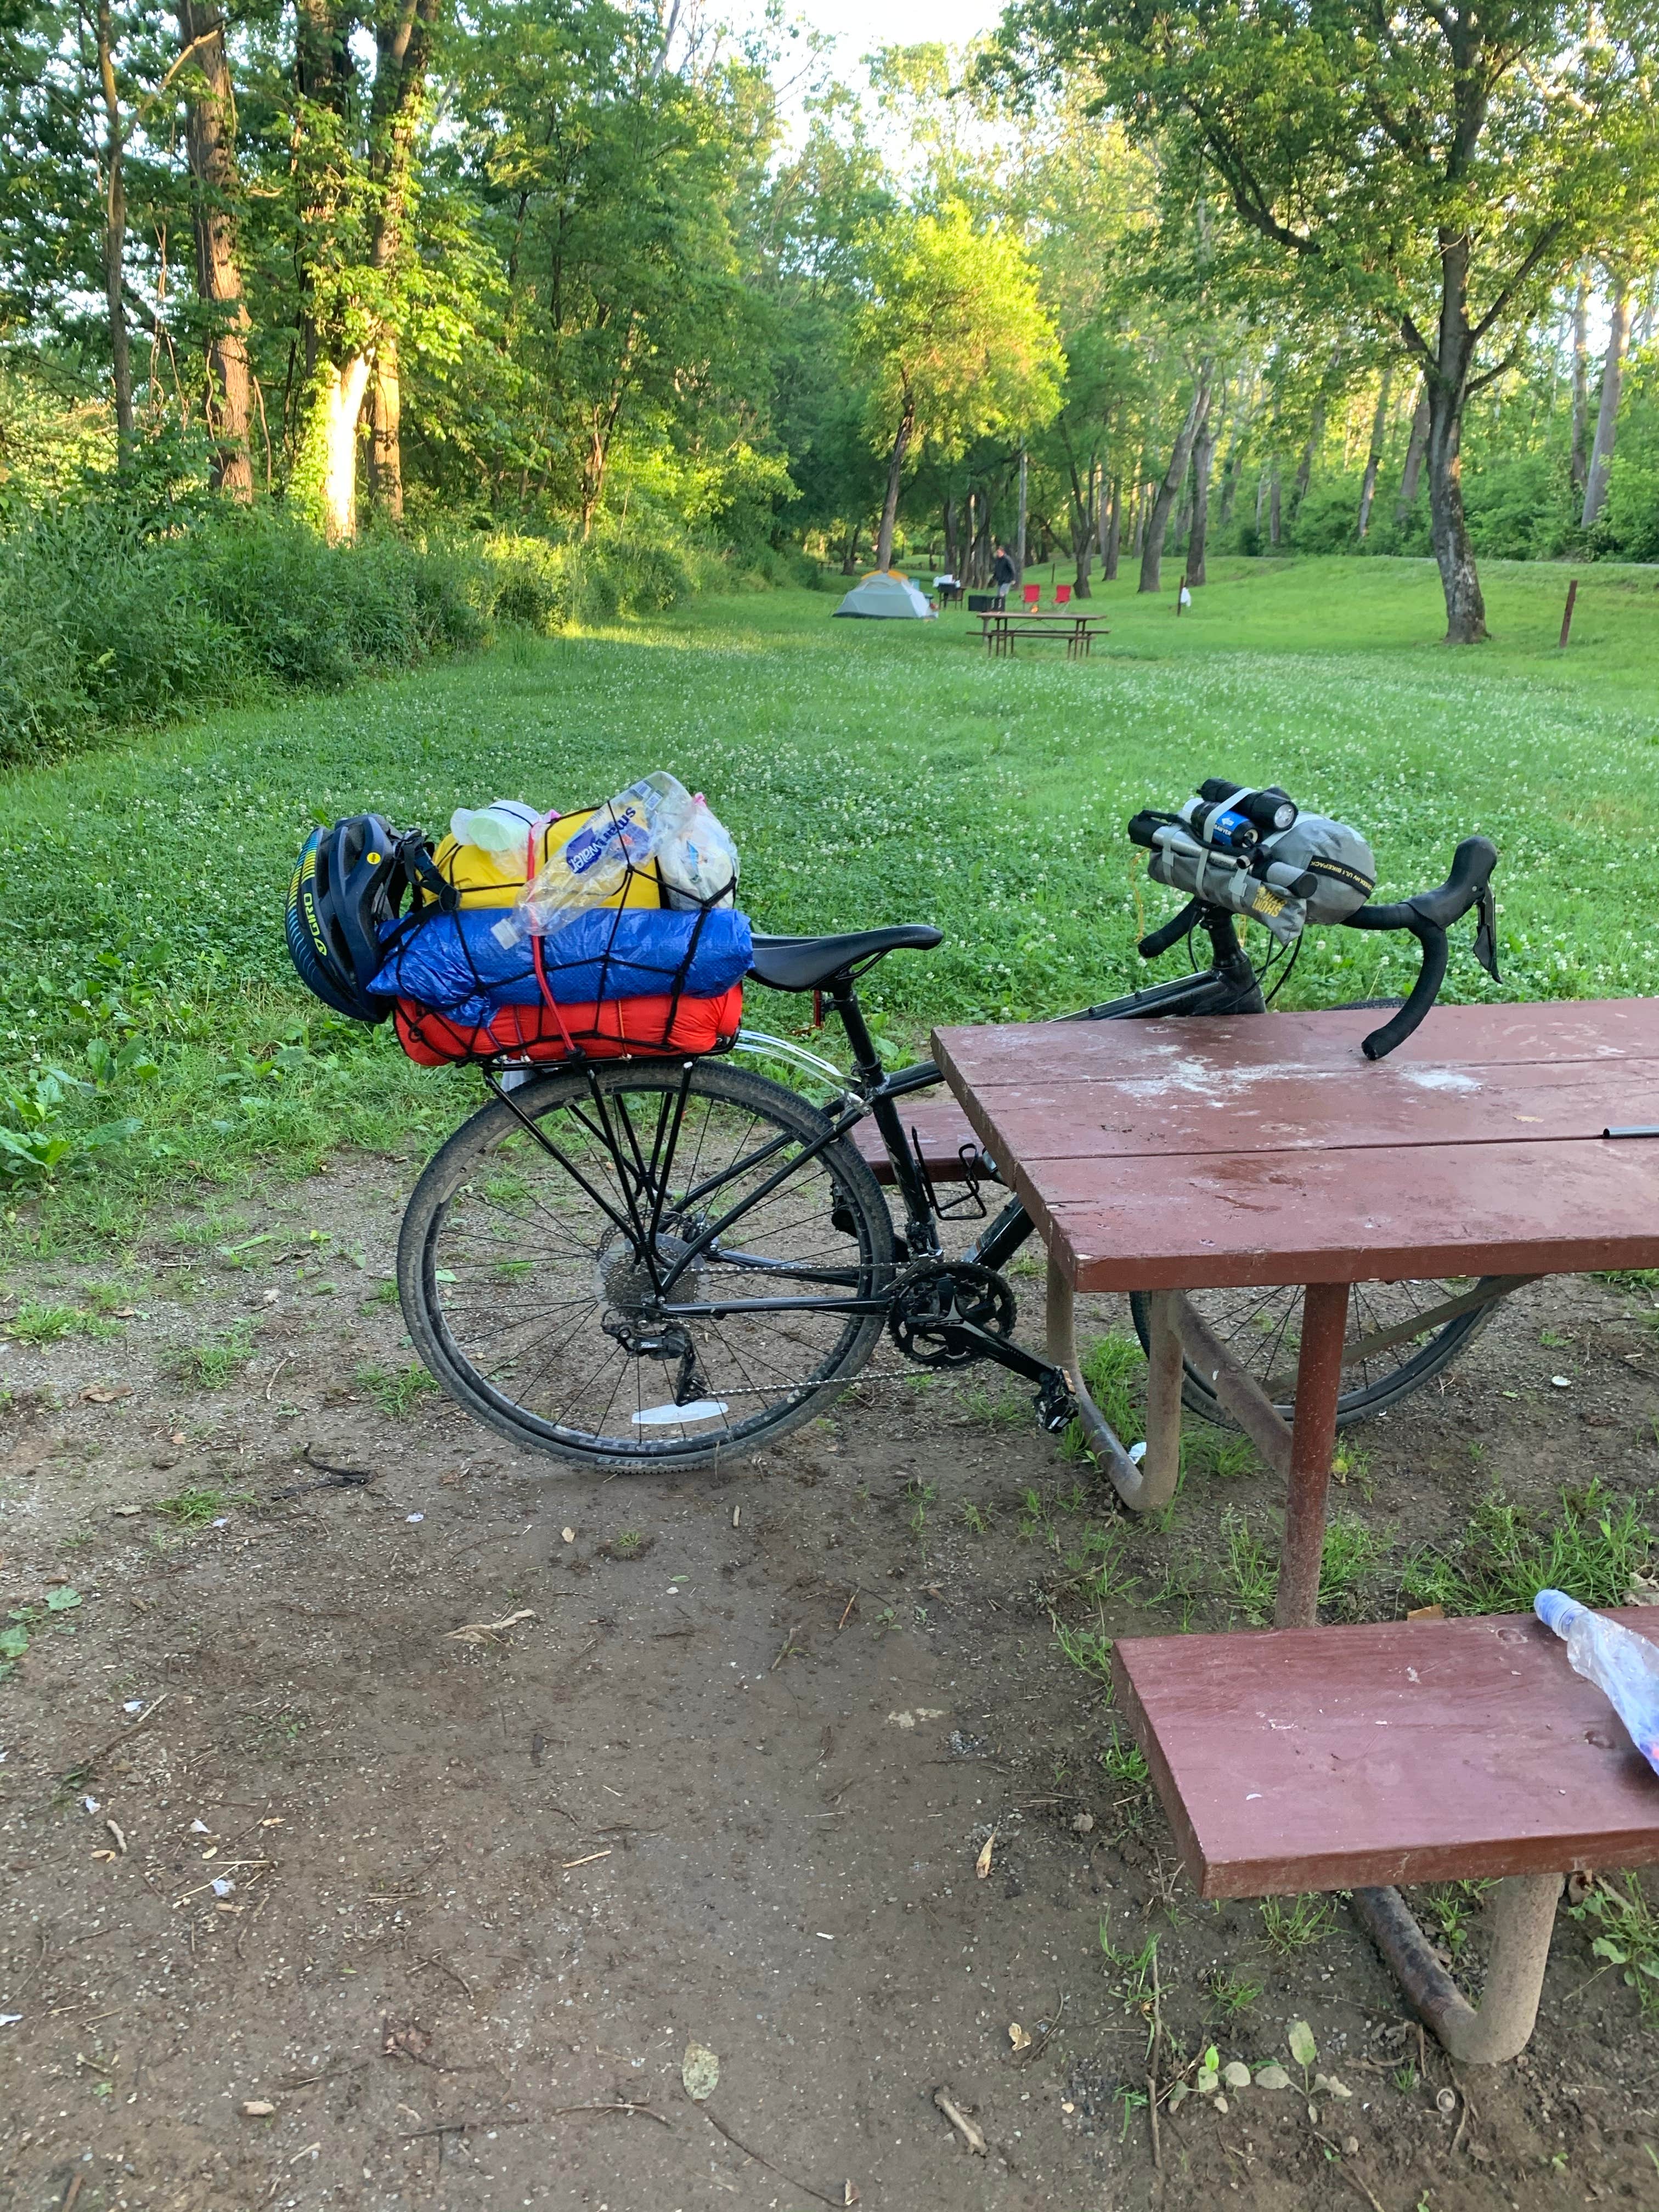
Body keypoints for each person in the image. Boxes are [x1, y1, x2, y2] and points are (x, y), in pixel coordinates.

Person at [991, 543, 1018, 608]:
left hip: (1007, 580)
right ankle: (997, 608)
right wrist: (994, 577)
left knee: (1002, 594)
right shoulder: (998, 560)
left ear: (1003, 552)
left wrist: (1013, 579)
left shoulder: (1007, 559)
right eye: (997, 552)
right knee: (998, 595)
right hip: (1000, 580)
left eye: (999, 552)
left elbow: (1012, 569)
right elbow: (997, 569)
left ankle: (1001, 608)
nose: (998, 554)